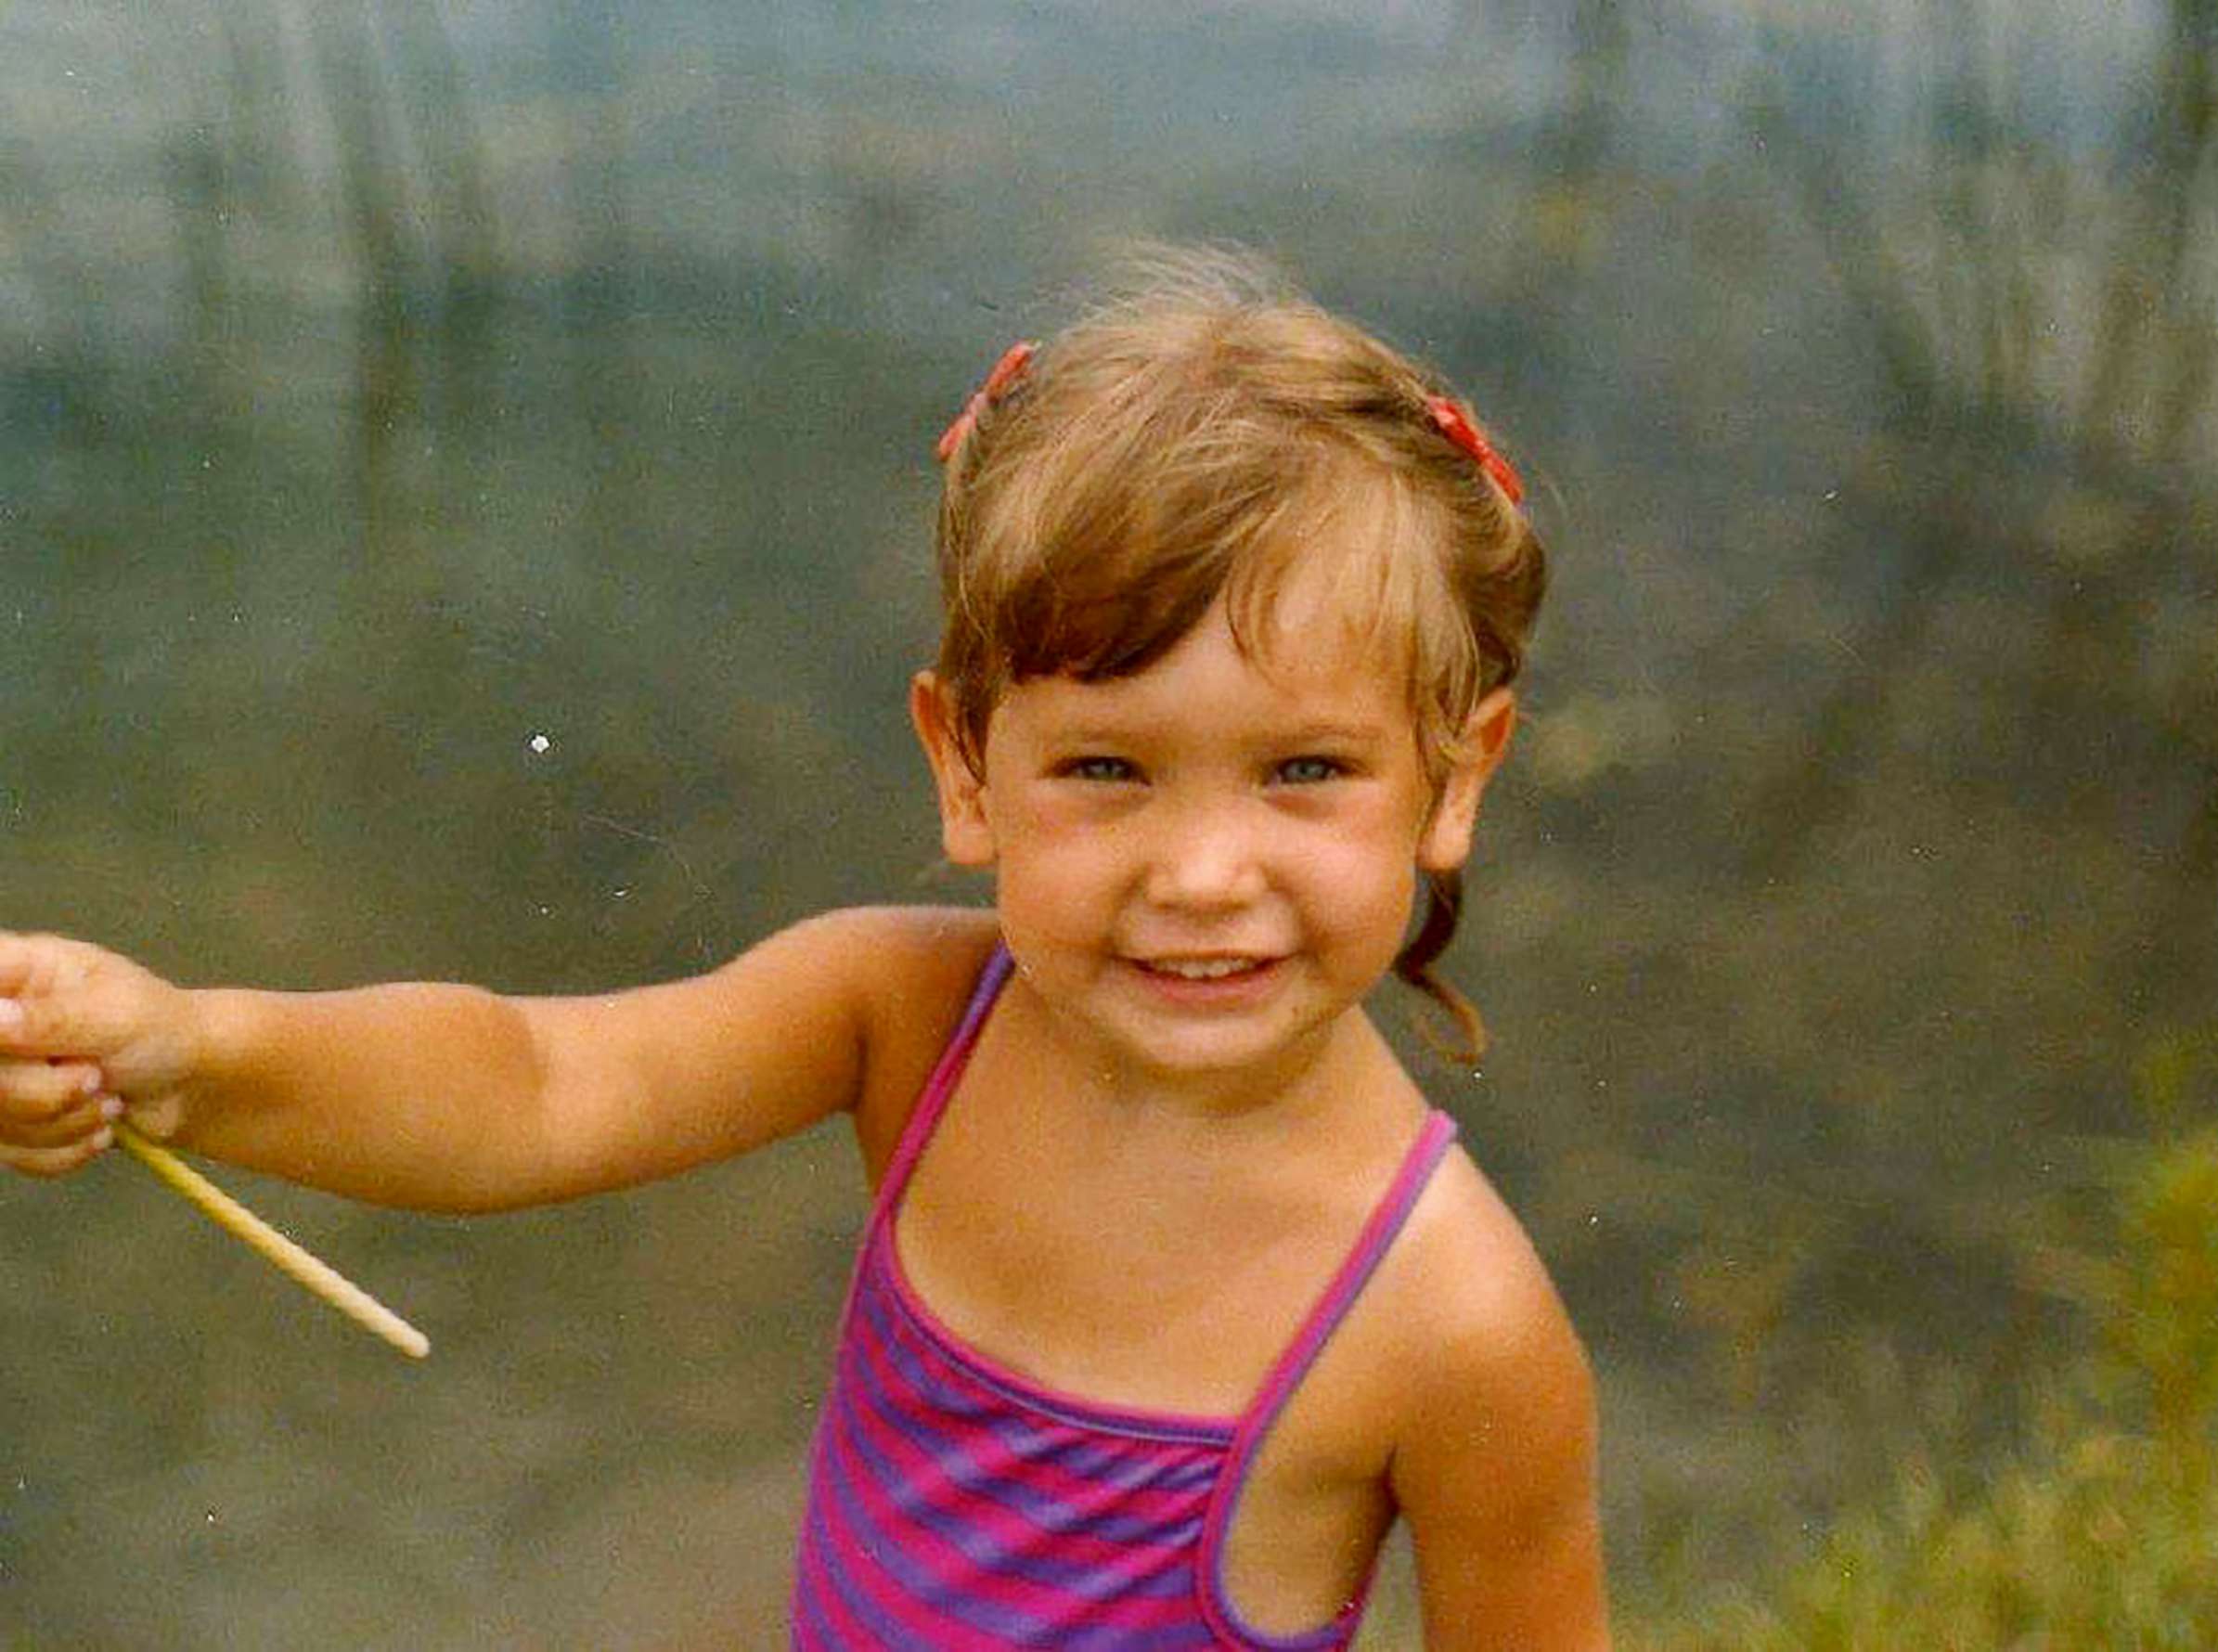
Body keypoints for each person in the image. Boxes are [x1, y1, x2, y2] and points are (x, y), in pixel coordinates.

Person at [0, 252, 1612, 1649]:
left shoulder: (1454, 1324)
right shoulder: (904, 1015)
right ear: (966, 766)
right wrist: (192, 1053)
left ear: (1456, 773)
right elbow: (536, 1082)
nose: (1201, 875)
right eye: (1108, 770)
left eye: (1305, 772)